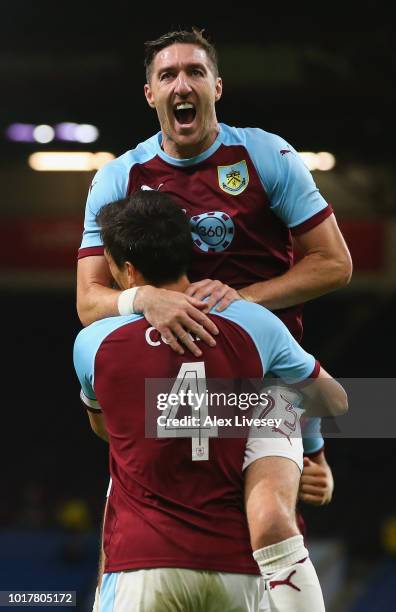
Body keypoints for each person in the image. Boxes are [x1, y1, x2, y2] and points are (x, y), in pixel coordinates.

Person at [74, 191, 347, 611]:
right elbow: (334, 401)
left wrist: (174, 413)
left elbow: (103, 430)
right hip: (236, 569)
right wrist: (281, 428)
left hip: (141, 568)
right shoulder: (255, 324)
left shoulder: (93, 343)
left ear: (127, 271)